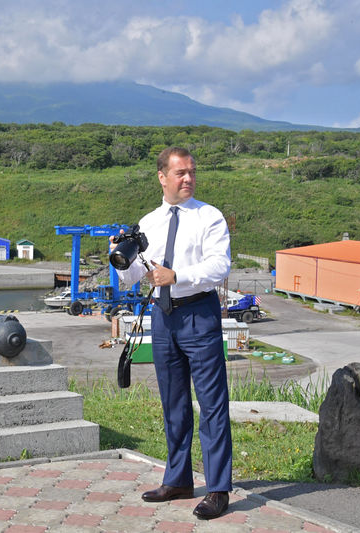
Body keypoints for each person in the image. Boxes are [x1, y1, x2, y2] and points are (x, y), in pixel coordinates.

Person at [112, 146, 232, 520]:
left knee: (212, 405)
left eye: (192, 172)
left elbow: (219, 266)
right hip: (163, 317)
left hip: (199, 312)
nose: (188, 179)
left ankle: (218, 489)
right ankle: (178, 479)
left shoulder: (209, 217)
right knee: (174, 403)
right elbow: (132, 277)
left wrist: (177, 276)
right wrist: (118, 255)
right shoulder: (148, 222)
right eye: (180, 173)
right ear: (162, 177)